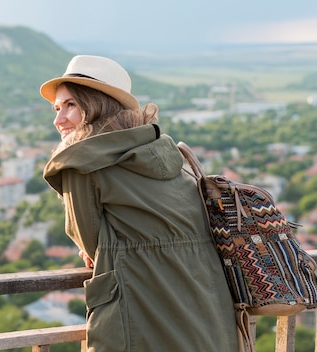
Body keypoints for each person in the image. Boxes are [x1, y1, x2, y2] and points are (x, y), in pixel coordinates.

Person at [41, 55, 242, 351]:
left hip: (140, 306)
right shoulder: (163, 150)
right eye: (57, 108)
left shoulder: (78, 162)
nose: (58, 120)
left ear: (97, 104)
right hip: (205, 303)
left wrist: (102, 248)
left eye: (70, 105)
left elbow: (89, 240)